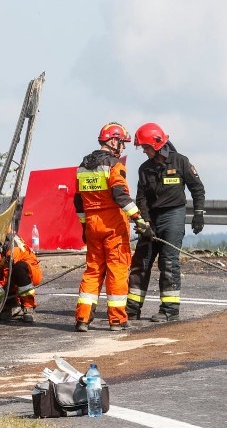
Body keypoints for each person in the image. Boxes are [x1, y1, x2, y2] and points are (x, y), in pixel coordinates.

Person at [73, 121, 150, 332]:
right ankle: (117, 320)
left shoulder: (83, 166)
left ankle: (82, 318)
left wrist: (83, 227)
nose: (123, 147)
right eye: (122, 143)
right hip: (112, 226)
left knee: (93, 270)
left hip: (91, 224)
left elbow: (78, 202)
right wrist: (140, 220)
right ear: (113, 141)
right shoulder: (114, 165)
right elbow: (120, 195)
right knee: (117, 270)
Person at [126, 122, 206, 322]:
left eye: (145, 147)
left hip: (174, 215)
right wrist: (145, 223)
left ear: (157, 144)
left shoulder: (180, 162)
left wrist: (198, 214)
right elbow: (141, 198)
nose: (144, 151)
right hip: (151, 217)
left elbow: (197, 188)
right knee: (141, 262)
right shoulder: (144, 169)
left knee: (168, 262)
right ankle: (132, 309)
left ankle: (169, 309)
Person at [0, 233, 43, 323]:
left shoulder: (11, 245)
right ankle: (11, 304)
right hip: (7, 274)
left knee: (18, 268)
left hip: (27, 273)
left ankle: (28, 306)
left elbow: (8, 275)